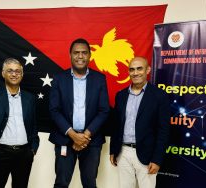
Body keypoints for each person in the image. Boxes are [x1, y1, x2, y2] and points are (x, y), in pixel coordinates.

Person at [49, 38, 110, 188]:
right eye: (76, 53)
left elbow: (104, 111)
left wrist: (85, 136)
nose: (80, 56)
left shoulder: (99, 79)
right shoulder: (59, 79)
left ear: (90, 55)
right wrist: (73, 135)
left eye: (84, 53)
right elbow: (54, 110)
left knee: (90, 184)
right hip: (65, 139)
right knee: (61, 183)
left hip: (91, 141)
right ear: (70, 55)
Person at [110, 56, 171, 188]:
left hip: (147, 155)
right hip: (123, 153)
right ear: (128, 72)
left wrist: (157, 159)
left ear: (148, 70)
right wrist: (113, 150)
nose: (135, 73)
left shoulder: (160, 96)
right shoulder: (120, 95)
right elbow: (116, 125)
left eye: (139, 69)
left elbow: (163, 131)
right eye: (132, 69)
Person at [0, 58, 39, 188]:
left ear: (22, 74)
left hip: (24, 154)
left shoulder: (29, 98)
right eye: (10, 71)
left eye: (17, 71)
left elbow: (33, 125)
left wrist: (33, 149)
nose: (14, 74)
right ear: (3, 73)